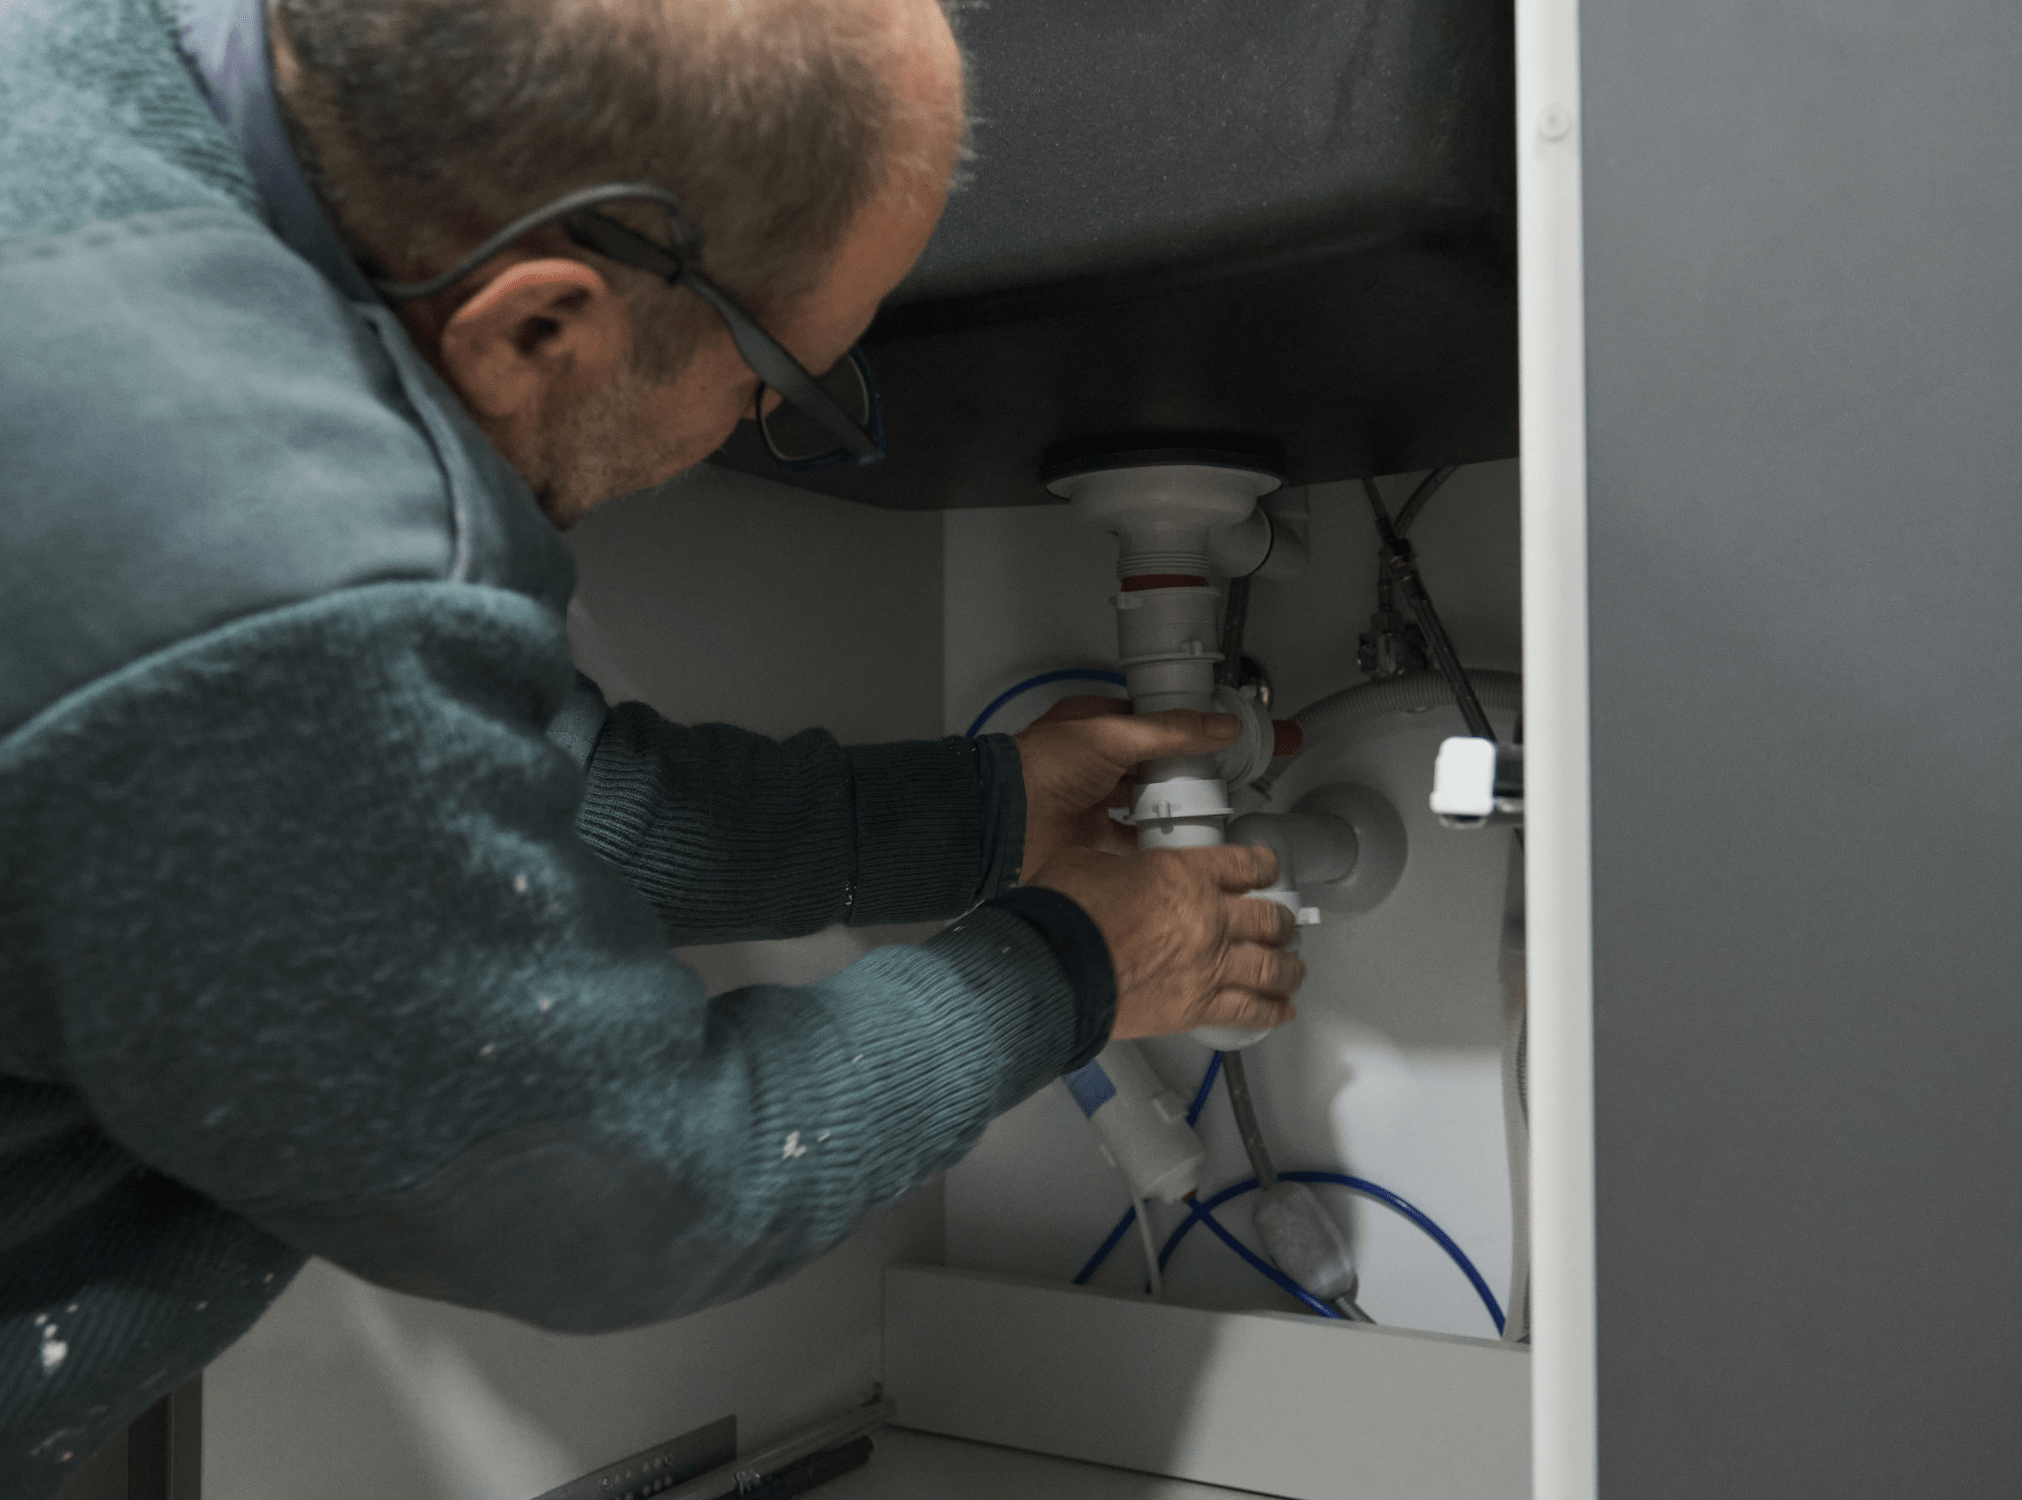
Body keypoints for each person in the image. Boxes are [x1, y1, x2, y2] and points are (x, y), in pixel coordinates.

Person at [0, 0, 1306, 1490]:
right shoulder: (250, 562)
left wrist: (985, 814)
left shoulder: (115, 80)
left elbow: (502, 790)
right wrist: (1075, 966)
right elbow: (633, 1190)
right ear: (541, 324)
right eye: (778, 385)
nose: (759, 420)